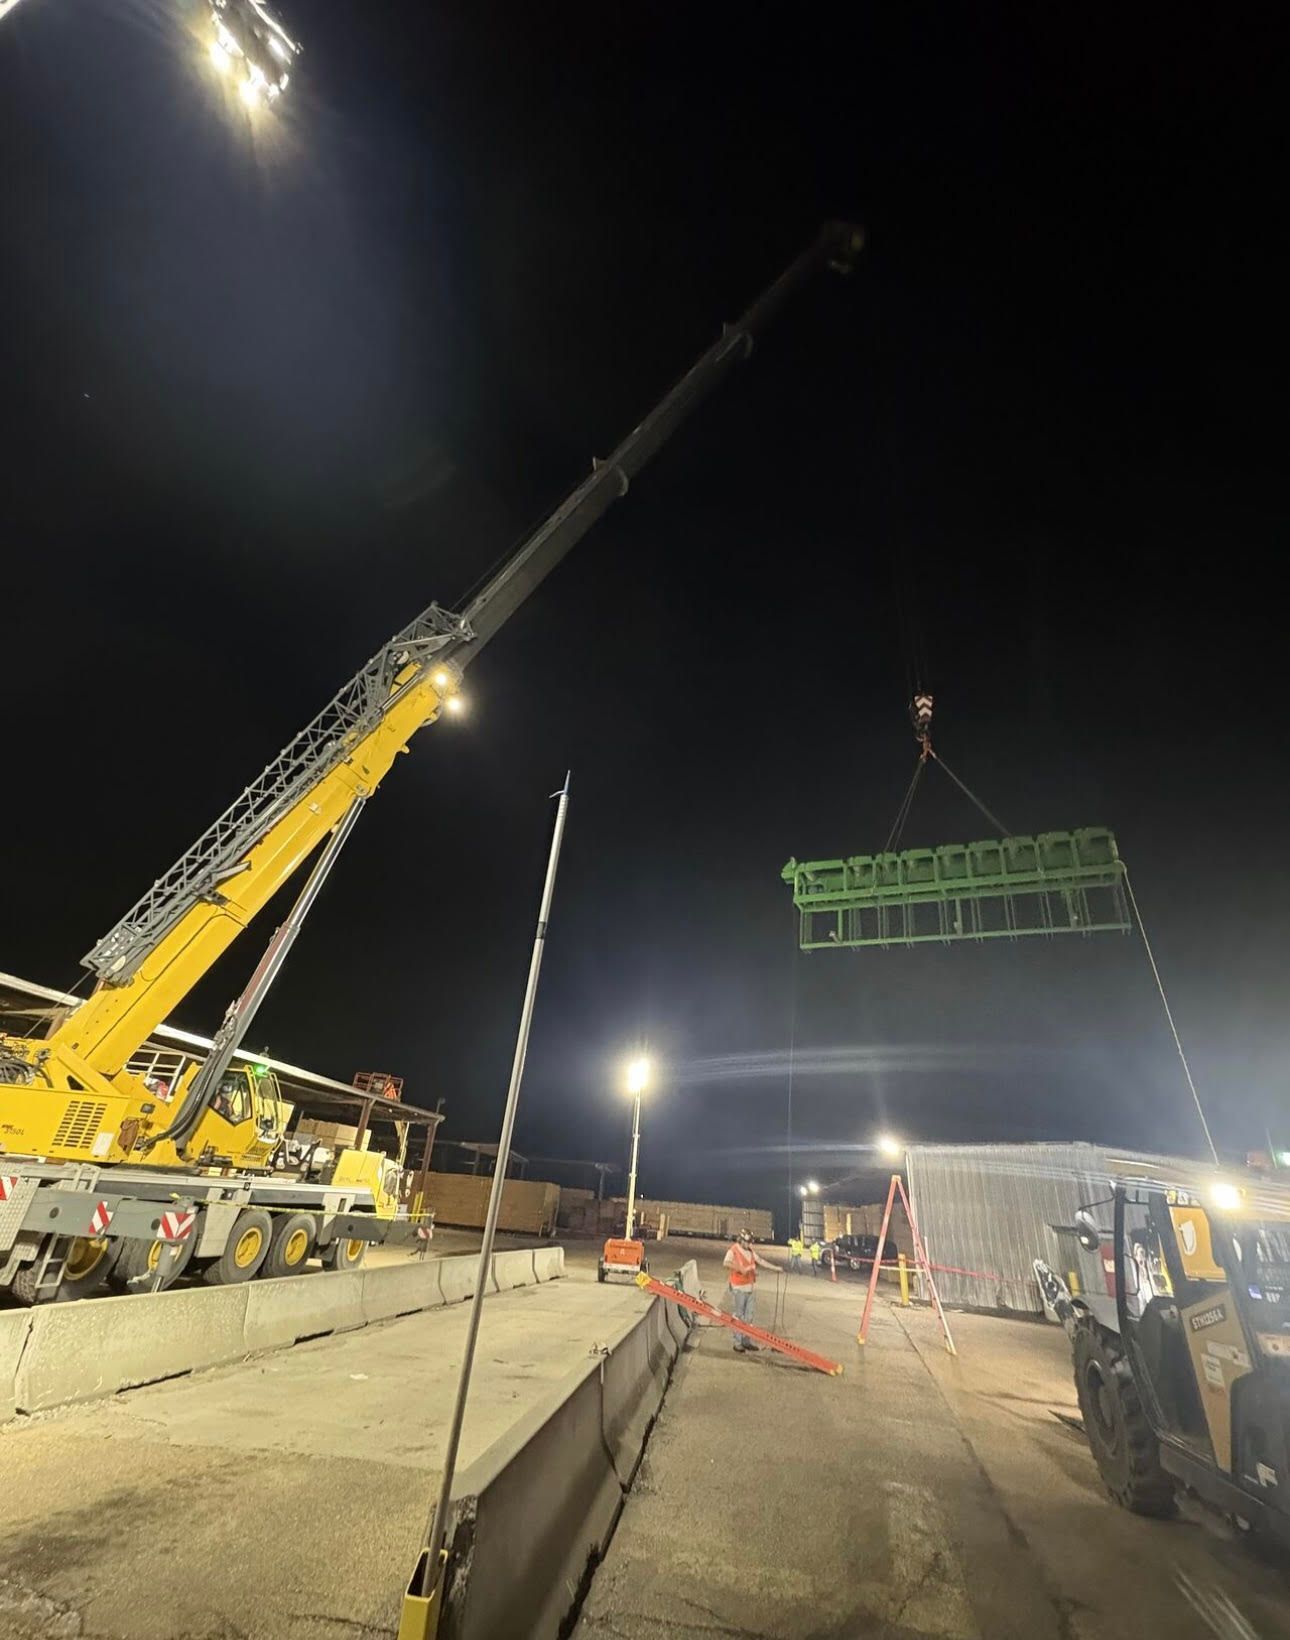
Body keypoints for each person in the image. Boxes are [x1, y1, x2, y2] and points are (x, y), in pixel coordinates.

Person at [723, 1229, 777, 1351]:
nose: (749, 1245)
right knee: (739, 1316)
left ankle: (746, 1341)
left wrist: (776, 1268)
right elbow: (726, 1263)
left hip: (750, 1288)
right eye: (747, 1242)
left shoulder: (750, 1251)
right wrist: (740, 1268)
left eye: (750, 1242)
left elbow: (761, 1261)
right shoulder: (734, 1250)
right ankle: (737, 1343)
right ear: (741, 1240)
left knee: (749, 1316)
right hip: (739, 1288)